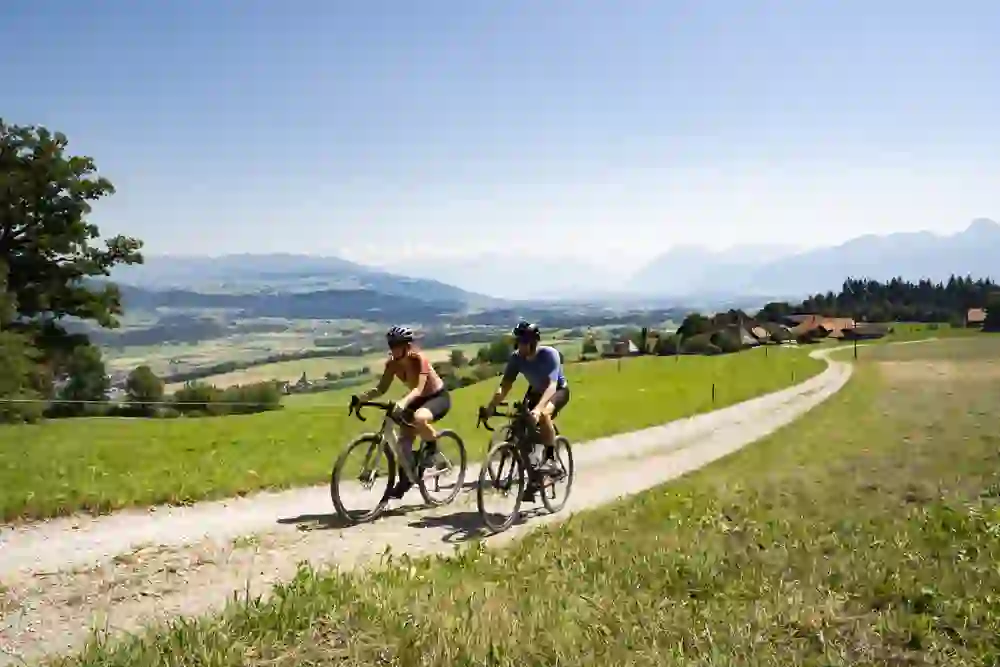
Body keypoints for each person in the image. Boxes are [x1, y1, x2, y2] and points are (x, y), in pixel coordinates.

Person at [354, 325, 450, 499]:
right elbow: (381, 388)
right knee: (402, 443)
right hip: (416, 399)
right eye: (392, 346)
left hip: (437, 396)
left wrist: (403, 402)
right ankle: (406, 478)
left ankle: (433, 449)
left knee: (420, 418)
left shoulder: (420, 359)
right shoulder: (392, 364)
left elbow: (419, 389)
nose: (394, 350)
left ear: (407, 346)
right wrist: (361, 398)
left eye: (398, 346)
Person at [482, 321, 570, 500]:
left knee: (544, 414)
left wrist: (538, 409)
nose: (518, 346)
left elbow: (552, 386)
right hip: (535, 391)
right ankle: (534, 477)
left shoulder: (549, 355)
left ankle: (552, 461)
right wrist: (491, 406)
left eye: (522, 342)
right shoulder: (516, 358)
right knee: (521, 429)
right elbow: (505, 386)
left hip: (557, 391)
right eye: (517, 342)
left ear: (533, 343)